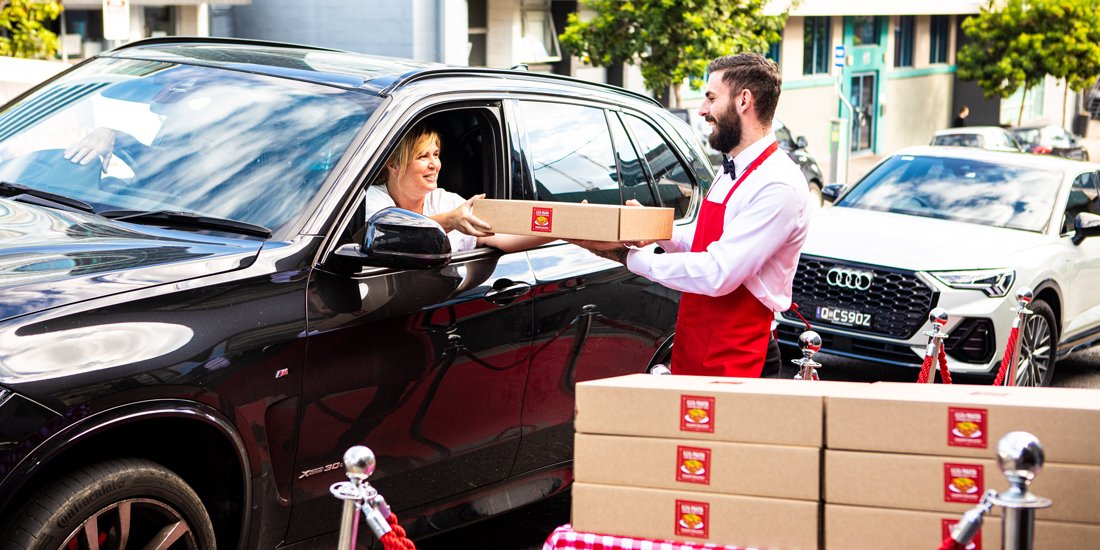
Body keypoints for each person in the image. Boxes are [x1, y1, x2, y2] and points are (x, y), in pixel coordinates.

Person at [570, 53, 811, 378]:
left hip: (741, 355)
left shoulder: (779, 184)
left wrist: (626, 257)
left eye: (711, 98)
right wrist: (656, 228)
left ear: (743, 100)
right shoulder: (732, 171)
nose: (702, 110)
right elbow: (705, 244)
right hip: (696, 343)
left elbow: (718, 272)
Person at [363, 124, 549, 253]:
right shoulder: (372, 199)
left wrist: (565, 231)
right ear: (393, 165)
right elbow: (386, 236)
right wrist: (450, 221)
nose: (434, 164)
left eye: (436, 155)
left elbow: (500, 235)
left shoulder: (447, 202)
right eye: (422, 157)